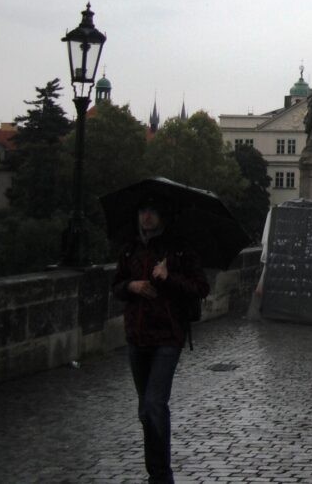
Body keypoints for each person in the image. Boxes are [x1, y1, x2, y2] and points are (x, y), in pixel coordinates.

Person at [112, 198, 209, 484]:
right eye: (142, 211)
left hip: (168, 335)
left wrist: (168, 277)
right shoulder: (130, 248)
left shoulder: (178, 249)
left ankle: (162, 476)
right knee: (145, 409)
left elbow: (200, 287)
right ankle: (155, 472)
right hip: (137, 334)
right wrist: (131, 286)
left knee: (155, 403)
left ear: (162, 216)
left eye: (152, 211)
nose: (146, 216)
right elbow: (116, 285)